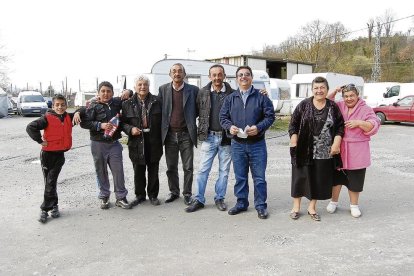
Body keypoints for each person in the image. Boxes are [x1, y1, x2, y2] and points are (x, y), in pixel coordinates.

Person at [220, 66, 275, 219]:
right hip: (237, 144)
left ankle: (260, 206)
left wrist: (258, 128)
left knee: (259, 177)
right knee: (240, 177)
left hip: (257, 144)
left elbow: (270, 117)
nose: (243, 77)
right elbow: (223, 117)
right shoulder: (230, 98)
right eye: (240, 75)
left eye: (247, 74)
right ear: (236, 78)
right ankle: (241, 203)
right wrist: (229, 127)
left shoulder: (262, 97)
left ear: (251, 77)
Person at [288, 76, 344, 221]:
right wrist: (294, 138)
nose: (319, 91)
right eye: (316, 88)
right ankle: (296, 207)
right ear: (312, 90)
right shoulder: (304, 105)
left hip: (324, 152)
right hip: (303, 149)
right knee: (299, 178)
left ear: (326, 89)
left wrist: (336, 143)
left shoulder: (333, 106)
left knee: (317, 179)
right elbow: (293, 123)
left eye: (322, 88)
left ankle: (312, 208)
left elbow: (340, 127)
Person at [326, 84, 380, 218]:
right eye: (346, 96)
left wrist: (359, 123)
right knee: (336, 178)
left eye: (351, 96)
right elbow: (326, 102)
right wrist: (334, 91)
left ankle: (354, 205)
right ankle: (333, 202)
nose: (349, 99)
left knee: (355, 179)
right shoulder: (339, 105)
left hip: (357, 150)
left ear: (357, 95)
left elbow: (375, 124)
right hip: (340, 148)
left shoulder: (366, 109)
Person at [185, 65, 234, 213]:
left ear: (224, 76)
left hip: (226, 138)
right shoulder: (202, 93)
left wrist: (262, 93)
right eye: (214, 75)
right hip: (208, 137)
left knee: (224, 171)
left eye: (220, 75)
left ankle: (219, 198)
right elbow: (192, 111)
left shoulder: (233, 94)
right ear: (209, 76)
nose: (217, 78)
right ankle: (199, 199)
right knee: (202, 170)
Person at [26, 94, 82, 223]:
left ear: (66, 106)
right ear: (53, 106)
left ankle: (46, 209)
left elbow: (85, 110)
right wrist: (39, 140)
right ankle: (52, 206)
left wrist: (78, 112)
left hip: (59, 155)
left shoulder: (69, 117)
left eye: (62, 105)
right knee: (50, 182)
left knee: (51, 181)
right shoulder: (46, 118)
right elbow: (30, 127)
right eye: (57, 105)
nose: (60, 107)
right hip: (47, 155)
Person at [80, 81, 133, 210]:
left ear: (113, 93)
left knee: (118, 171)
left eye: (108, 91)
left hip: (114, 143)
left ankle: (121, 197)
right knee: (101, 170)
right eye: (103, 91)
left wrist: (129, 91)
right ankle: (104, 196)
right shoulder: (92, 105)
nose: (105, 93)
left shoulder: (116, 102)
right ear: (98, 93)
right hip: (98, 144)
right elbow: (84, 123)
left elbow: (129, 95)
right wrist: (100, 125)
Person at [158, 63, 199, 205]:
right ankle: (174, 192)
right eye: (174, 71)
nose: (177, 73)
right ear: (170, 74)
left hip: (186, 134)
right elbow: (156, 107)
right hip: (169, 135)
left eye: (180, 71)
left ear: (184, 74)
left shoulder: (193, 90)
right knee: (171, 167)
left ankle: (187, 193)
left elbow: (201, 109)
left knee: (188, 167)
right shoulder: (163, 90)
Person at [122, 75, 163, 206]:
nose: (142, 87)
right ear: (135, 87)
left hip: (154, 139)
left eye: (145, 84)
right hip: (136, 139)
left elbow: (164, 120)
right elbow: (122, 123)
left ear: (148, 86)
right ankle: (140, 195)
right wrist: (130, 129)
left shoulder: (157, 101)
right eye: (139, 84)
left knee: (153, 168)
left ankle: (153, 195)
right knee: (138, 169)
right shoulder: (127, 103)